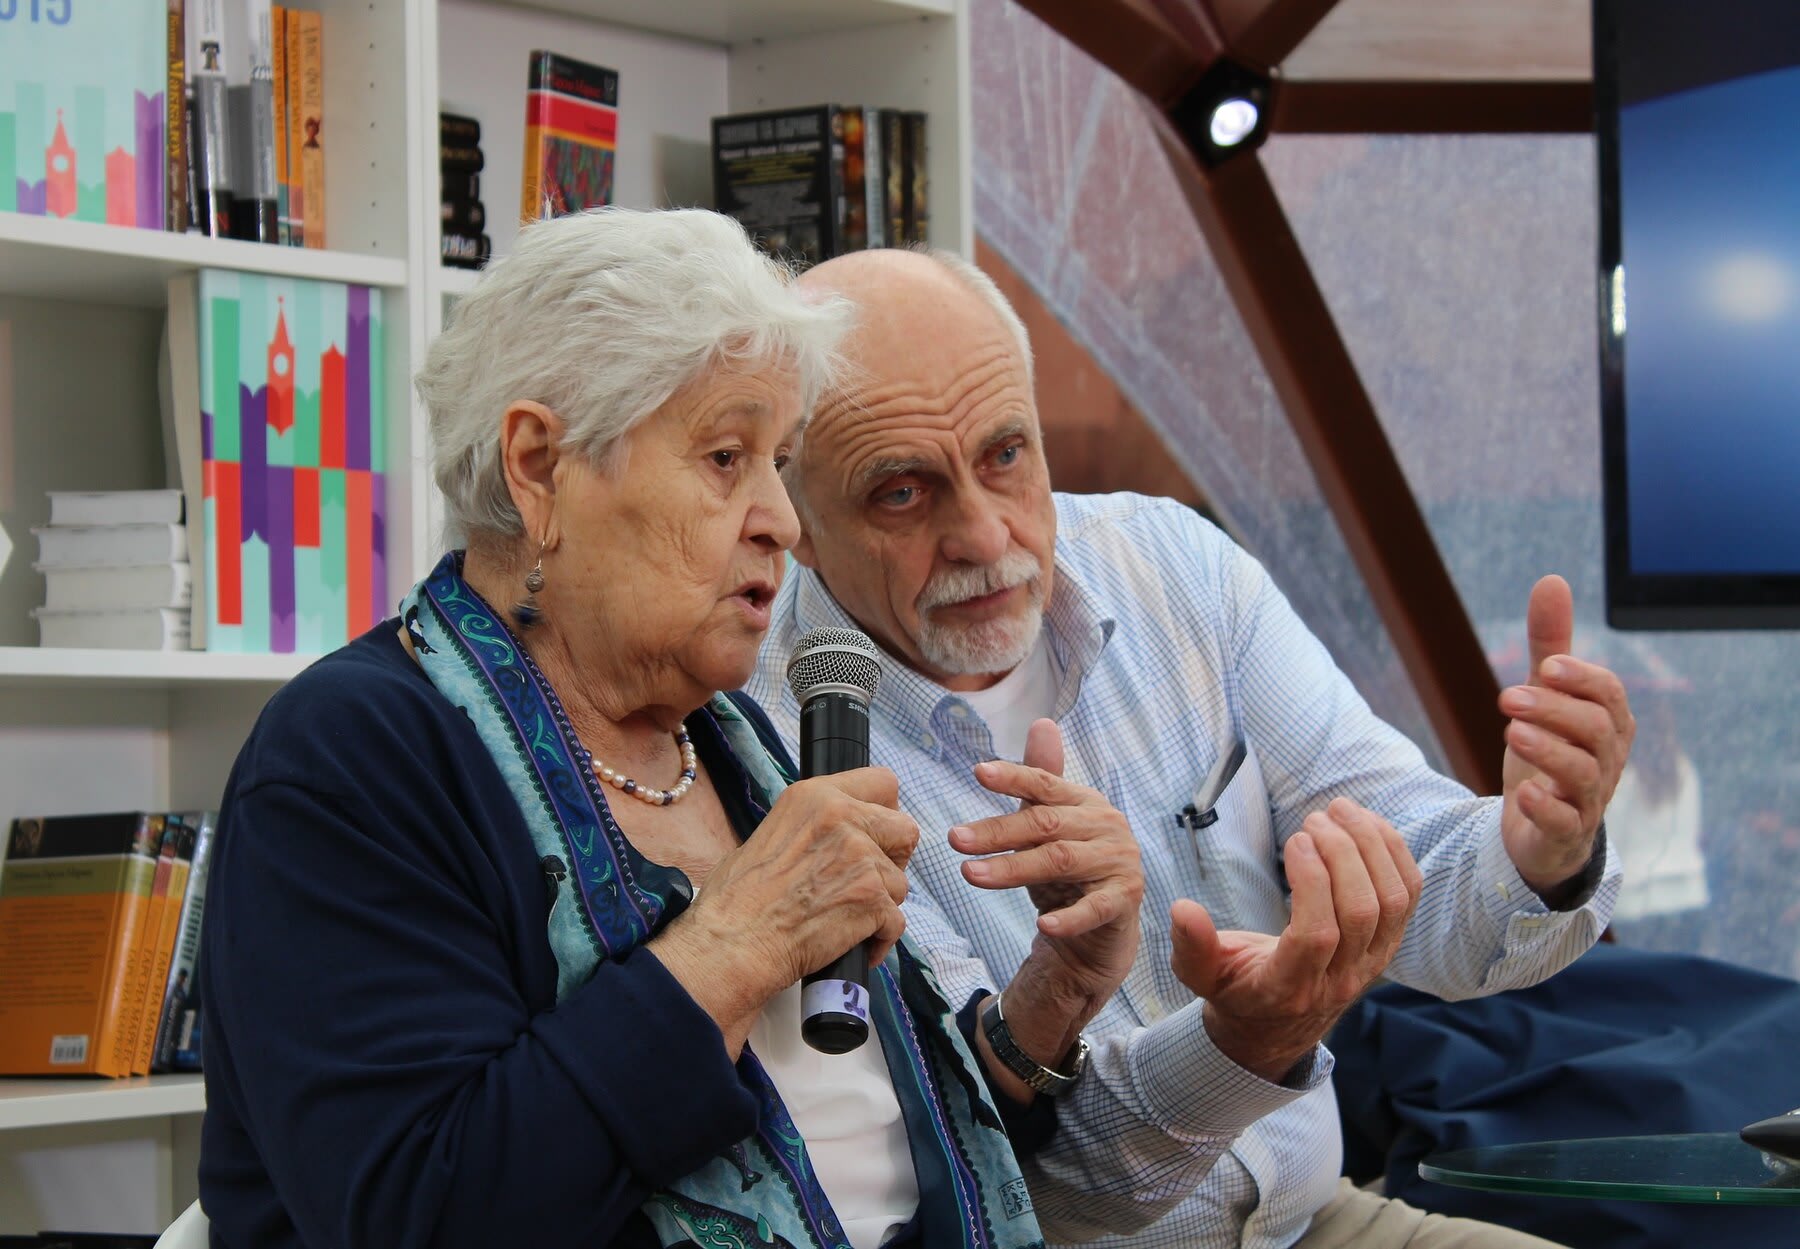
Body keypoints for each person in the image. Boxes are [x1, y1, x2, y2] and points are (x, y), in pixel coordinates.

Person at [196, 209, 1145, 1249]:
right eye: (728, 456)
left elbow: (874, 1148)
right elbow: (425, 1209)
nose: (781, 518)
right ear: (540, 468)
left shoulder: (733, 739)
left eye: (781, 463)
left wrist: (1057, 992)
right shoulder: (351, 760)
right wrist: (738, 946)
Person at [746, 247, 1635, 1249]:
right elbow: (1013, 1174)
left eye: (1006, 455)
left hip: (1319, 1217)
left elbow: (1417, 868)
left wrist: (1540, 851)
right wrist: (1244, 1042)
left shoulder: (1173, 568)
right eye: (903, 493)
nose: (986, 536)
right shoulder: (779, 740)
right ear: (796, 524)